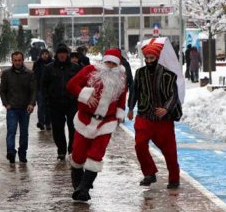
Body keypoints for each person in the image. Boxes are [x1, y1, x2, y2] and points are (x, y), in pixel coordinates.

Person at [67, 48, 127, 201]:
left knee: (96, 154)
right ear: (103, 61)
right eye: (108, 62)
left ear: (118, 64)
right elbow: (71, 85)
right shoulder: (90, 70)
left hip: (106, 123)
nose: (110, 66)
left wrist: (120, 112)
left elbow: (121, 98)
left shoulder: (121, 77)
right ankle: (78, 185)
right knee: (78, 155)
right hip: (85, 120)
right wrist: (85, 95)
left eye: (114, 64)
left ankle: (84, 188)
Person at [127, 43, 182, 189]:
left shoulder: (168, 75)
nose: (149, 60)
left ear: (157, 57)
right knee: (140, 145)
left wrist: (166, 109)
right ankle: (149, 173)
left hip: (163, 120)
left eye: (152, 57)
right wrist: (131, 108)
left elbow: (173, 95)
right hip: (144, 115)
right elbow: (135, 91)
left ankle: (174, 178)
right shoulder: (139, 73)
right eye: (147, 58)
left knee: (169, 151)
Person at [41, 44, 81, 161]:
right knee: (58, 129)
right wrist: (47, 99)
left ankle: (72, 149)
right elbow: (44, 86)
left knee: (73, 127)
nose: (62, 55)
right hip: (55, 103)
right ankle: (61, 150)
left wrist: (78, 97)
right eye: (60, 53)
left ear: (67, 54)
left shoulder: (75, 68)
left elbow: (81, 83)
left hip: (71, 103)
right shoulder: (49, 68)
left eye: (64, 53)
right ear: (56, 54)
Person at [0, 51, 36, 164]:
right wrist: (6, 104)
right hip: (12, 108)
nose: (17, 62)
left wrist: (31, 103)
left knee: (24, 133)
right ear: (12, 61)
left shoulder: (29, 74)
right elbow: (2, 91)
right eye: (15, 60)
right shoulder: (6, 74)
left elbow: (34, 90)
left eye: (19, 60)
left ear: (22, 60)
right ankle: (11, 152)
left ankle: (22, 153)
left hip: (25, 108)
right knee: (11, 131)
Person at [32, 49, 53, 131]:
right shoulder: (37, 64)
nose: (45, 55)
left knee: (48, 106)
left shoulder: (52, 63)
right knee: (41, 106)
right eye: (43, 54)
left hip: (50, 89)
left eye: (46, 54)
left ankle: (48, 123)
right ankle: (41, 122)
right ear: (40, 55)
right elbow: (34, 76)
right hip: (40, 88)